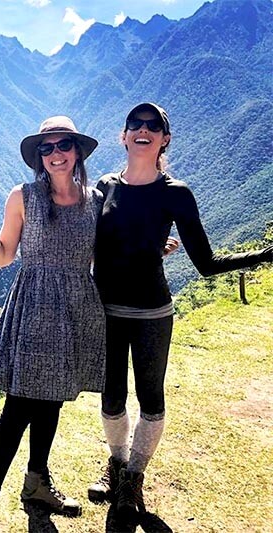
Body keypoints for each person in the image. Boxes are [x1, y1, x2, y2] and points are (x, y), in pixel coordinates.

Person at [88, 102, 273, 519]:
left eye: (153, 126)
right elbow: (95, 246)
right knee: (111, 397)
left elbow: (205, 263)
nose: (143, 129)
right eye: (135, 123)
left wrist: (259, 256)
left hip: (152, 313)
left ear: (164, 139)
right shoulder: (104, 185)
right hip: (106, 311)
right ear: (123, 135)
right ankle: (116, 465)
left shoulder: (176, 193)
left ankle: (133, 479)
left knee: (151, 397)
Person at [0, 116, 106, 532]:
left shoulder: (95, 201)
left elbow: (100, 260)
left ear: (77, 151)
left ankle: (37, 483)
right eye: (47, 148)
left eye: (63, 146)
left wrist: (152, 253)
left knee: (53, 400)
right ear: (38, 157)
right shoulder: (22, 196)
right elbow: (4, 256)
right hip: (35, 309)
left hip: (77, 309)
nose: (56, 154)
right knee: (17, 408)